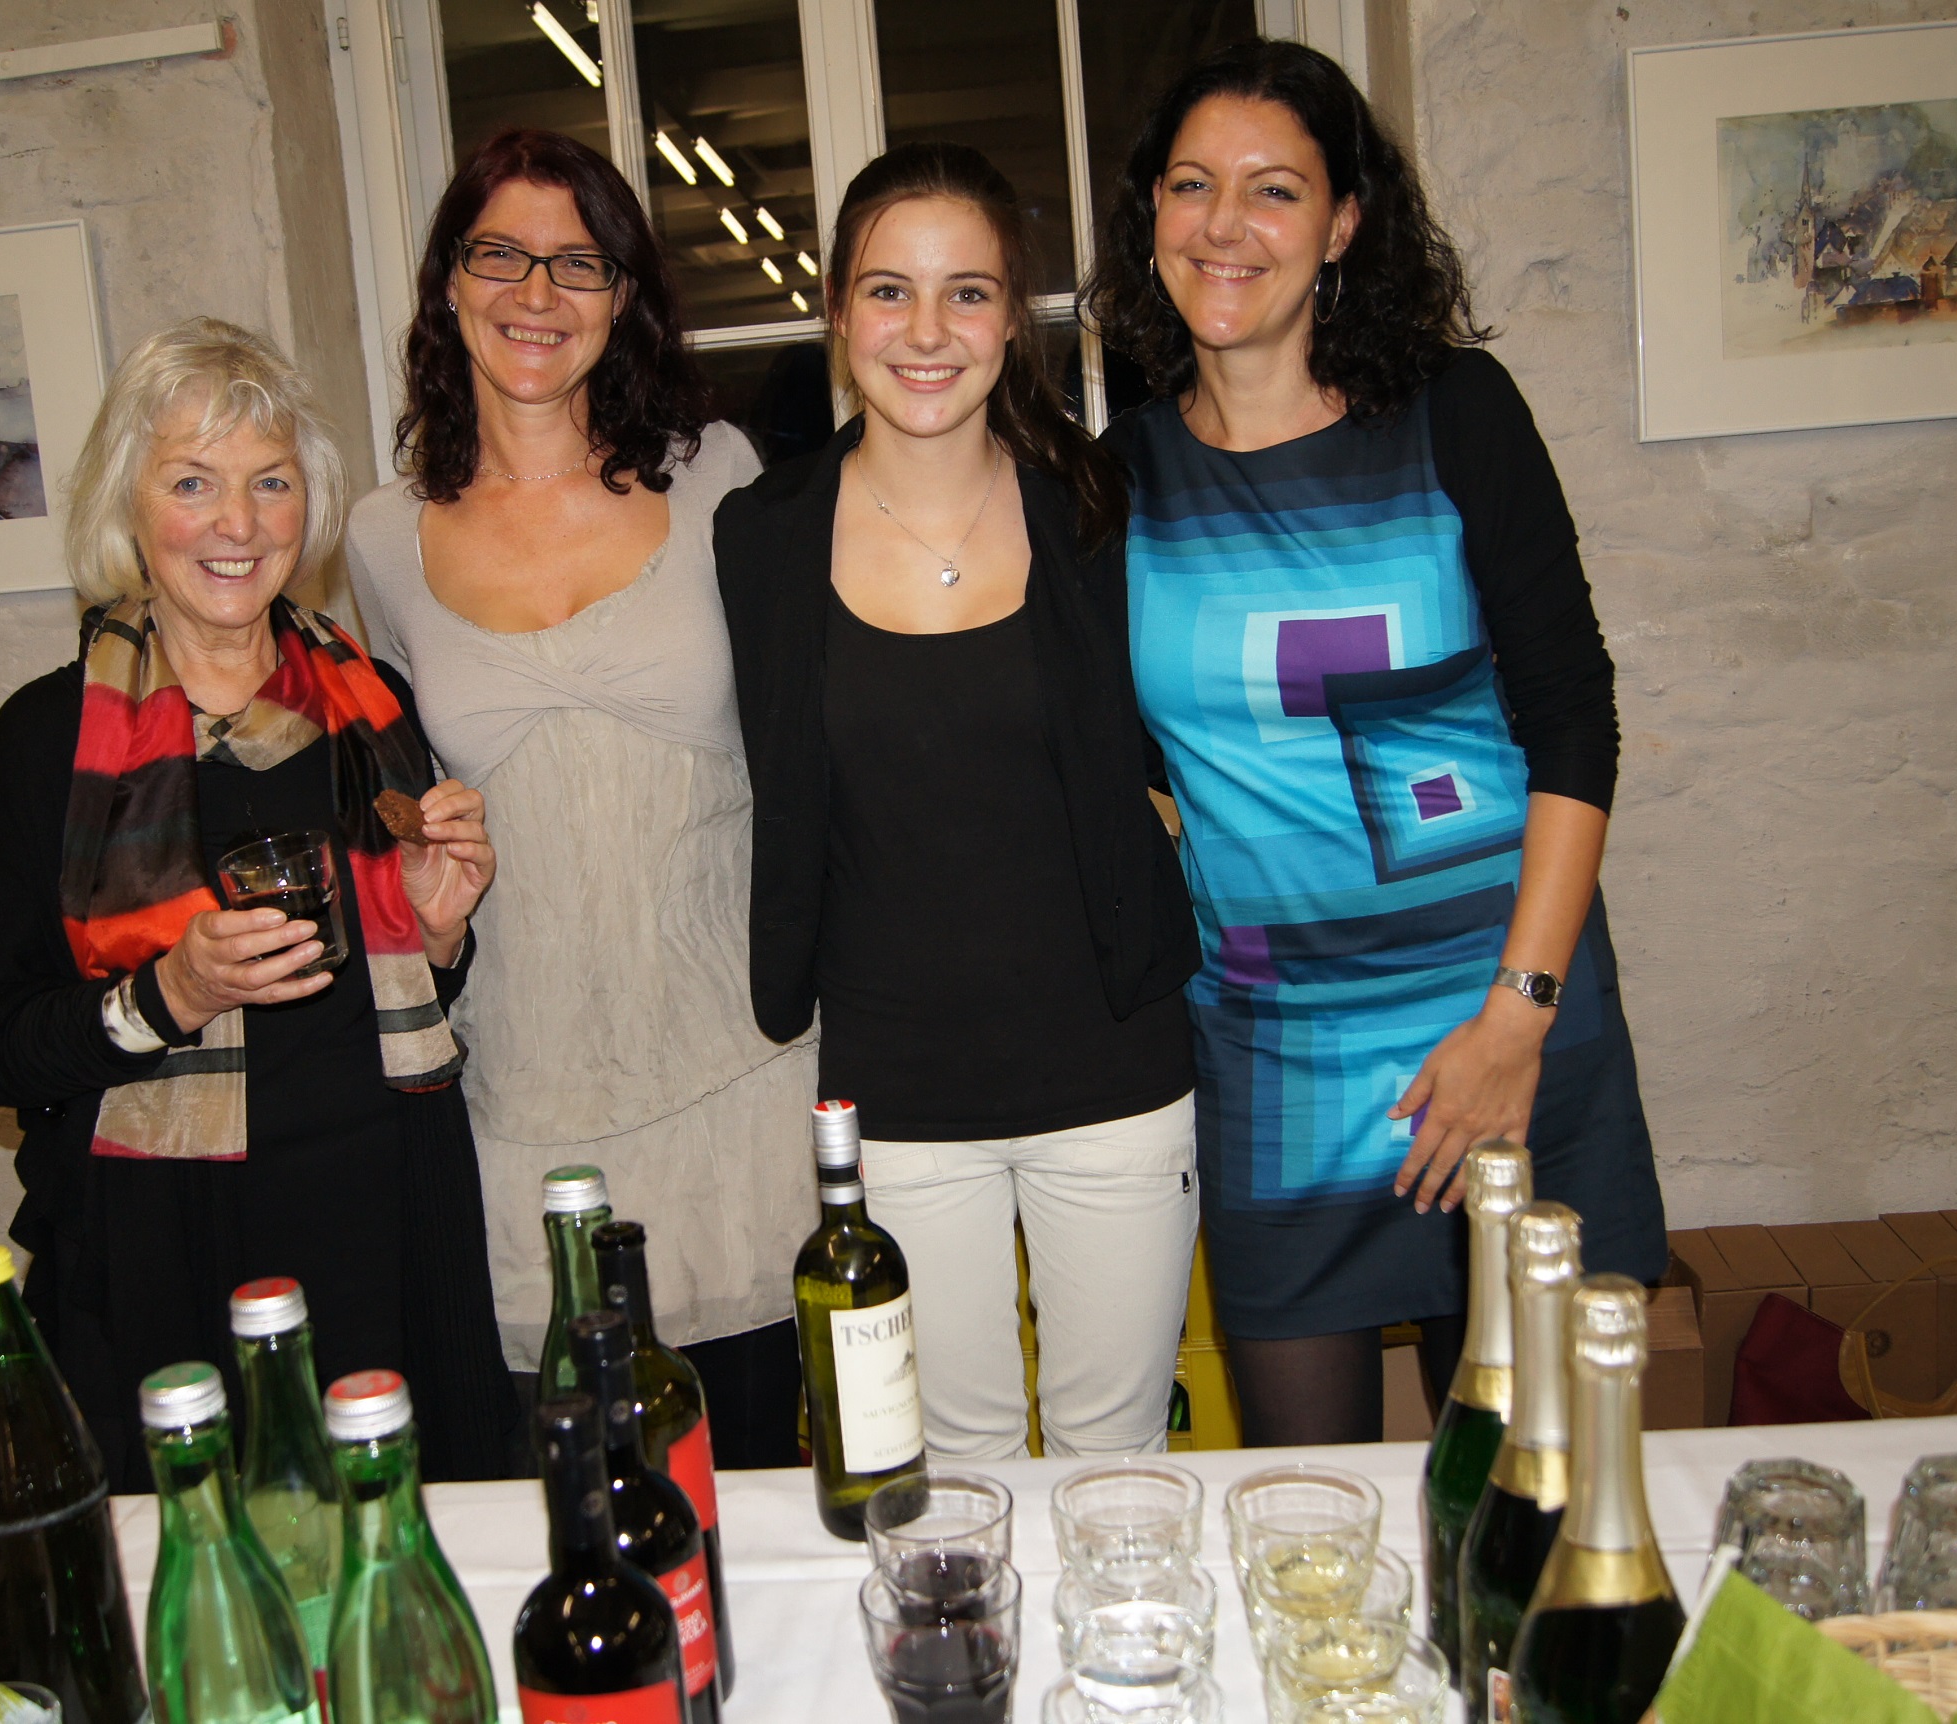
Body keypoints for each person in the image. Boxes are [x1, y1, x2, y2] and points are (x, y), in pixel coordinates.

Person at [1084, 40, 1667, 1447]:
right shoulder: (1119, 481)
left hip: (1497, 1019)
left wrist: (1517, 1017)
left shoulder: (1455, 415)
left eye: (1274, 190)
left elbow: (1573, 715)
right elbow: (1111, 753)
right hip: (1277, 1050)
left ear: (1344, 223)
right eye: (1191, 185)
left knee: (1533, 1502)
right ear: (1152, 212)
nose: (1225, 225)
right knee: (1302, 1514)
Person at [0, 318, 524, 1488]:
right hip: (164, 1255)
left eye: (270, 482)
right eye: (193, 481)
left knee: (403, 1554)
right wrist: (170, 994)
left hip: (388, 1227)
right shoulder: (52, 737)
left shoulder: (371, 706)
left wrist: (441, 926)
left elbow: (407, 989)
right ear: (129, 504)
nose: (238, 524)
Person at [715, 144, 1201, 1463]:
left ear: (1011, 317)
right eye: (890, 290)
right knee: (947, 1471)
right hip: (897, 1093)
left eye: (967, 292)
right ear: (837, 310)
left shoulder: (1098, 504)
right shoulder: (759, 536)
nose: (926, 332)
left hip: (1114, 1069)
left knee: (1116, 1461)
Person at [346, 129, 815, 1467]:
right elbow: (401, 806)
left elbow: (812, 740)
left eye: (578, 262)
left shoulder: (718, 475)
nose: (536, 293)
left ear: (624, 297)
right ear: (449, 281)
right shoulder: (383, 537)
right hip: (527, 1094)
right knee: (578, 1506)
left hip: (743, 1079)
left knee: (762, 1491)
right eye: (501, 254)